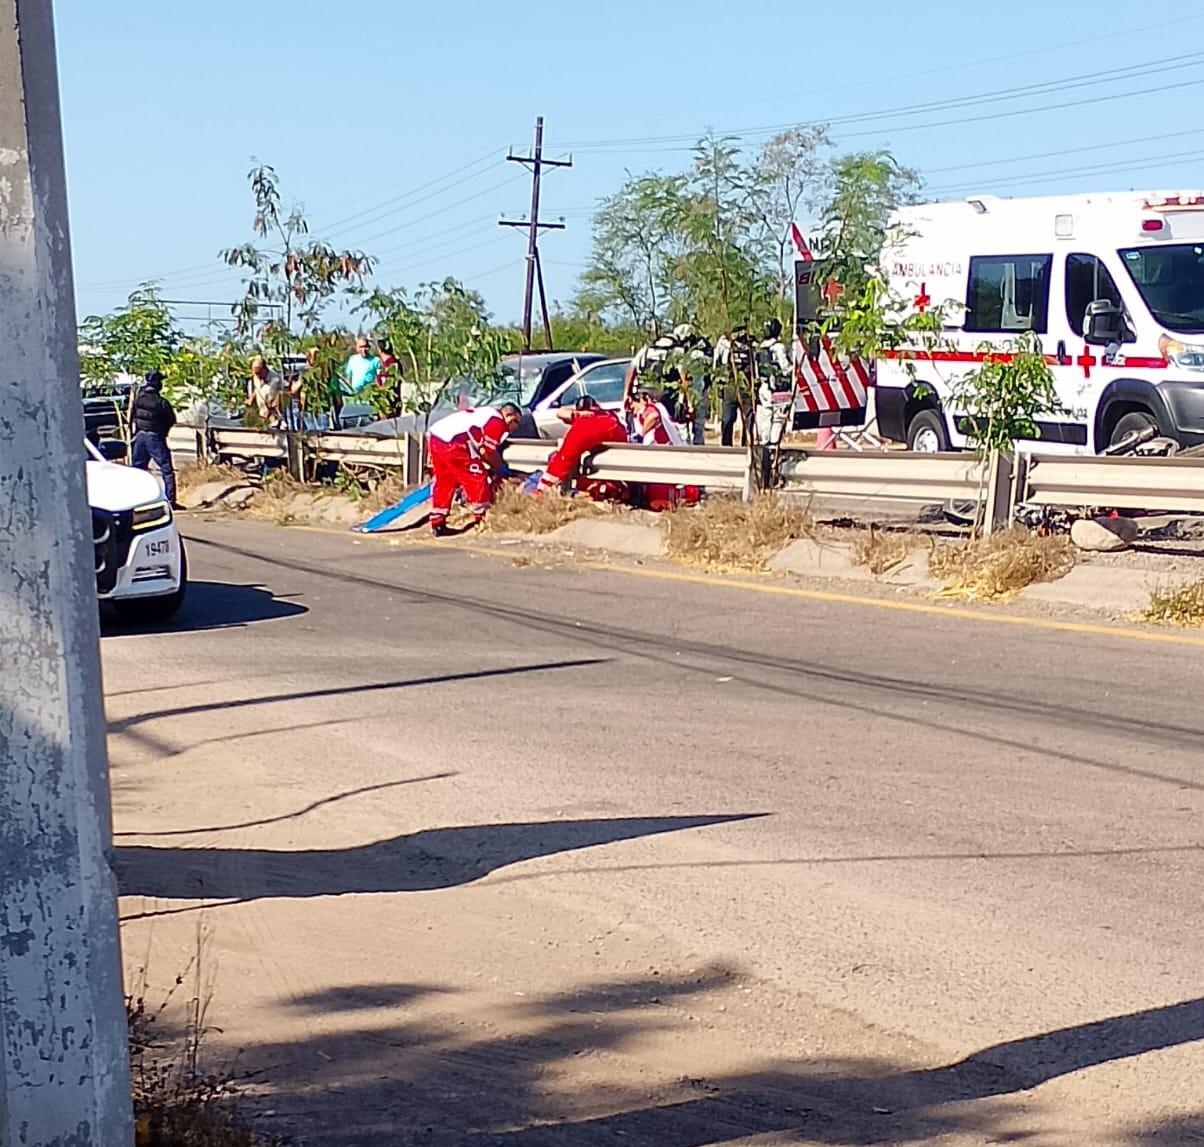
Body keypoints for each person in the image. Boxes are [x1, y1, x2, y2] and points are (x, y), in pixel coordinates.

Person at [426, 402, 522, 536]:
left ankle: (438, 522)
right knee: (476, 477)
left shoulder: (485, 413)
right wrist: (500, 468)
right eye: (515, 422)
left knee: (445, 480)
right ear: (509, 416)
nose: (515, 427)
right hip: (453, 443)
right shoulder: (497, 422)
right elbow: (486, 451)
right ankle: (482, 517)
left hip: (436, 436)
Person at [536, 395, 629, 494]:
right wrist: (577, 414)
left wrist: (542, 489)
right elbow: (560, 413)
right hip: (619, 466)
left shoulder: (588, 425)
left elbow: (565, 456)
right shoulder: (609, 417)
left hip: (613, 470)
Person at [130, 370, 179, 508]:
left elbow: (133, 416)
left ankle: (135, 499)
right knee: (166, 470)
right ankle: (171, 501)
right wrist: (163, 432)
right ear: (158, 384)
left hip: (140, 437)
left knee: (137, 470)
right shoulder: (160, 402)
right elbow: (171, 419)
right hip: (154, 437)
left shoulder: (139, 399)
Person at [713, 326, 756, 446]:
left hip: (746, 386)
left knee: (749, 418)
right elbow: (717, 365)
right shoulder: (724, 344)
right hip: (730, 385)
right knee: (727, 419)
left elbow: (755, 366)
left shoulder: (751, 345)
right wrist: (719, 385)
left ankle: (747, 445)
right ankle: (727, 447)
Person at [247, 355, 285, 427]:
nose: (257, 376)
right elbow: (257, 388)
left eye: (259, 373)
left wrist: (268, 415)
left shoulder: (275, 379)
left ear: (264, 369)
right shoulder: (256, 377)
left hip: (273, 415)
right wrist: (251, 397)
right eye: (255, 373)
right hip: (262, 414)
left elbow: (273, 401)